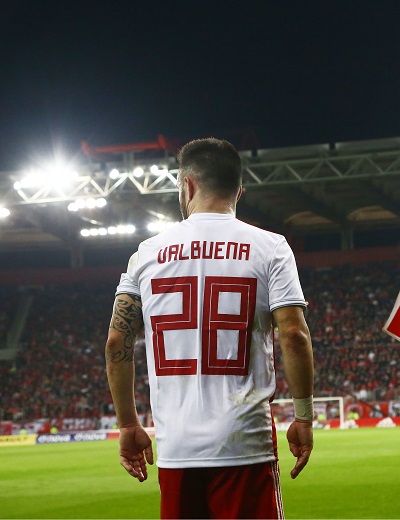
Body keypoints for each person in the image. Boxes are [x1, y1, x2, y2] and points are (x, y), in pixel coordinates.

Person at [105, 138, 314, 519]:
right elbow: (294, 335)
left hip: (176, 448)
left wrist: (128, 423)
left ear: (187, 185)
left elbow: (117, 340)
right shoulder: (271, 247)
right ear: (238, 190)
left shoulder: (146, 253)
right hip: (244, 443)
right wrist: (303, 416)